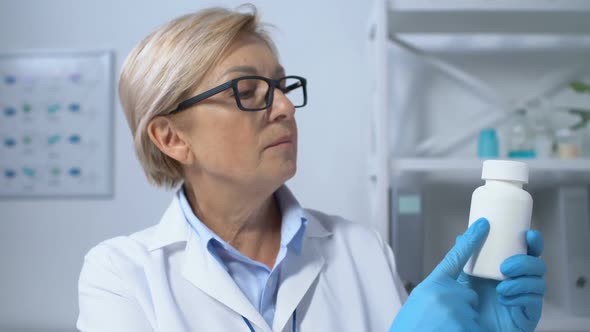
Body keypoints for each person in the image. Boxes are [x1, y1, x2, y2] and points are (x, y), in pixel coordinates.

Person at [76, 5, 546, 332]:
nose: (283, 107)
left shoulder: (362, 250)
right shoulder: (122, 275)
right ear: (172, 138)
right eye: (248, 90)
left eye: (281, 86)